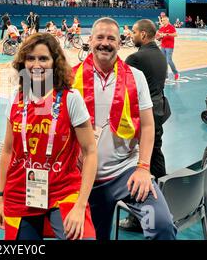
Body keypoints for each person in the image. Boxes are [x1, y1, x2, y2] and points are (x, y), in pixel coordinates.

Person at [72, 17, 176, 240]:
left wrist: (144, 168)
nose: (105, 43)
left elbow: (148, 126)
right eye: (99, 37)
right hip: (82, 178)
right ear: (89, 40)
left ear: (120, 43)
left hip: (126, 173)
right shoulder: (69, 78)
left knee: (162, 226)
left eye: (111, 38)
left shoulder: (135, 77)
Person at [0, 33, 98, 240]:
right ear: (23, 62)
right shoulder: (16, 98)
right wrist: (0, 198)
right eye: (31, 58)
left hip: (63, 190)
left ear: (54, 63)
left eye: (43, 58)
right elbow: (7, 150)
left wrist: (80, 205)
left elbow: (90, 152)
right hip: (20, 191)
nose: (36, 64)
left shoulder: (71, 99)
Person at [119, 19, 172, 231]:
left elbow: (121, 86)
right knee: (156, 157)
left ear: (143, 35)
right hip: (159, 111)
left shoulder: (136, 58)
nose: (131, 36)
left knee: (139, 164)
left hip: (143, 117)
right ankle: (166, 200)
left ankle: (137, 217)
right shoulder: (160, 54)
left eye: (133, 32)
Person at [156, 16, 179, 80]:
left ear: (167, 21)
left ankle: (176, 73)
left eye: (164, 20)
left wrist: (167, 34)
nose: (162, 21)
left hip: (169, 47)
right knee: (164, 61)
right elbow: (158, 37)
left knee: (168, 60)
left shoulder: (171, 27)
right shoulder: (162, 28)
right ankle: (165, 75)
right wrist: (159, 36)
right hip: (163, 46)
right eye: (162, 20)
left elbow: (175, 34)